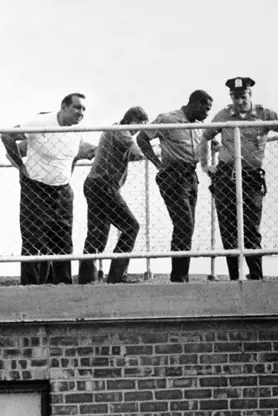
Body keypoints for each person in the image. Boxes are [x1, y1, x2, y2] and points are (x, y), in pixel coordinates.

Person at [198, 77, 278, 281]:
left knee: (251, 228)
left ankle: (256, 277)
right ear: (231, 97)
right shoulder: (224, 115)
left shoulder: (263, 114)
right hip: (226, 176)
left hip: (250, 178)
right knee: (228, 228)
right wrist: (206, 166)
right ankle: (234, 278)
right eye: (235, 97)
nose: (239, 101)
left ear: (250, 95)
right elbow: (205, 136)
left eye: (243, 97)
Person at [1, 93, 95, 285]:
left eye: (84, 109)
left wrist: (67, 177)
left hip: (62, 191)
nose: (81, 113)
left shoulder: (77, 131)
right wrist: (21, 166)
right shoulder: (41, 122)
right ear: (64, 106)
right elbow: (6, 135)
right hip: (35, 188)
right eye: (77, 108)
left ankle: (62, 287)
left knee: (63, 240)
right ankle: (30, 288)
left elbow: (71, 158)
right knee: (34, 240)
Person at [137, 90, 213, 282]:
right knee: (184, 224)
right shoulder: (168, 119)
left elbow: (208, 142)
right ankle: (178, 277)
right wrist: (156, 162)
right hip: (172, 175)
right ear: (194, 103)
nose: (207, 113)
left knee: (187, 227)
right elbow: (141, 138)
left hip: (191, 176)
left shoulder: (199, 126)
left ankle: (181, 276)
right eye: (205, 108)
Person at [78, 106, 150, 284]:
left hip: (95, 184)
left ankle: (86, 279)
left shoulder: (115, 132)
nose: (138, 131)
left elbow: (130, 156)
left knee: (97, 235)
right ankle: (117, 276)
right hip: (104, 186)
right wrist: (150, 151)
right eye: (139, 125)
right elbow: (137, 153)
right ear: (133, 120)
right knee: (131, 226)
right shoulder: (120, 131)